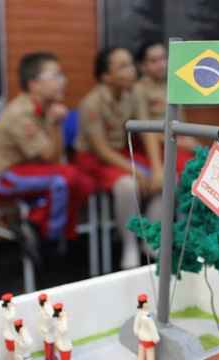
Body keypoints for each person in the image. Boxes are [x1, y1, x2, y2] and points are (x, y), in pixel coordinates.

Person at [0, 52, 94, 243]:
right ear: (34, 84)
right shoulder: (21, 113)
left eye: (61, 75)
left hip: (32, 170)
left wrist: (55, 124)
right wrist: (56, 124)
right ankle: (49, 237)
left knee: (84, 182)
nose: (62, 81)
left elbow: (52, 158)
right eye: (55, 76)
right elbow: (51, 158)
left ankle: (34, 223)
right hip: (5, 175)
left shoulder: (46, 107)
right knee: (66, 178)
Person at [75, 47, 163, 269]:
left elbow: (148, 130)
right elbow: (101, 150)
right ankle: (129, 244)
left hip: (121, 154)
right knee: (126, 184)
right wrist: (136, 171)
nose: (132, 71)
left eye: (131, 64)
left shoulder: (134, 93)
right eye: (123, 66)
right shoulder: (91, 103)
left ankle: (151, 239)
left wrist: (157, 169)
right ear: (106, 76)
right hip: (94, 159)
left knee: (166, 179)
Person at [133, 41, 196, 173]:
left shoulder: (172, 87)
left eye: (163, 58)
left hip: (177, 142)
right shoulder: (139, 89)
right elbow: (144, 130)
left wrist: (191, 143)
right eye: (154, 61)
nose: (161, 65)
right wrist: (179, 142)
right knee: (191, 170)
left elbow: (182, 123)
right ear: (143, 66)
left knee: (209, 159)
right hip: (155, 147)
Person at [133, 294, 159, 360]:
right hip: (148, 339)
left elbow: (136, 326)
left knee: (140, 355)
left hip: (141, 337)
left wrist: (137, 332)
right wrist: (156, 338)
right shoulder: (147, 316)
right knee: (150, 356)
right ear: (145, 304)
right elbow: (152, 328)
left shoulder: (138, 314)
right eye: (147, 302)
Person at [37, 293, 56, 360]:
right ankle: (50, 357)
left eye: (39, 301)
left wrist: (48, 326)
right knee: (48, 343)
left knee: (49, 343)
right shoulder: (44, 307)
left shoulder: (47, 307)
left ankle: (50, 357)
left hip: (48, 329)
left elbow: (51, 316)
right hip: (46, 329)